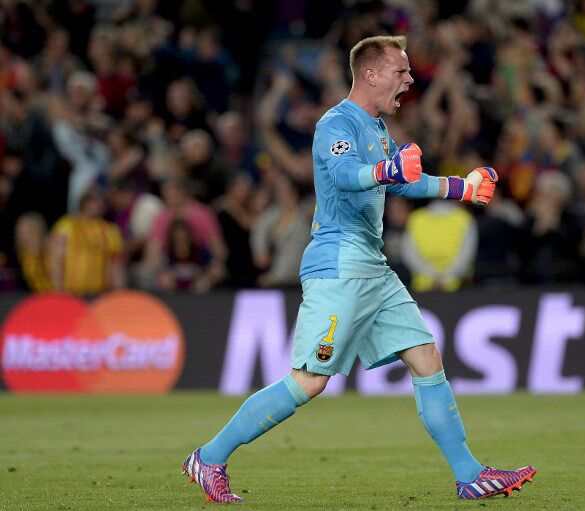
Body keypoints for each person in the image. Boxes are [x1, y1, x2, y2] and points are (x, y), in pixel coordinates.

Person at [182, 35, 535, 503]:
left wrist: (460, 188)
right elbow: (347, 177)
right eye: (400, 71)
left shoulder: (377, 128)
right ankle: (209, 457)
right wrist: (387, 171)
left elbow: (403, 185)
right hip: (339, 267)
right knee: (309, 381)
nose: (409, 79)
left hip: (372, 266)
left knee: (426, 357)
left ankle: (469, 474)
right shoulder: (335, 124)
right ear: (370, 73)